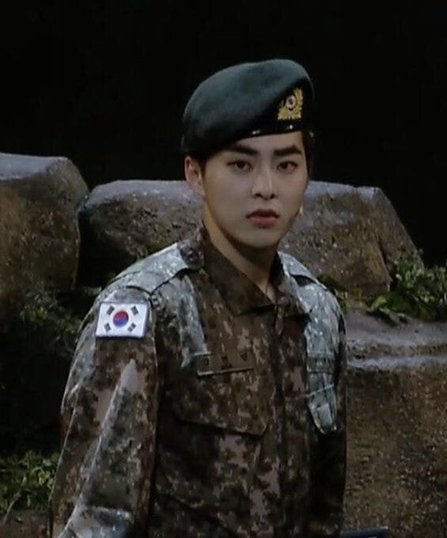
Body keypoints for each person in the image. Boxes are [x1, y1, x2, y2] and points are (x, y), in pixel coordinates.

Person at [49, 58, 347, 537]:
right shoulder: (147, 313)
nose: (266, 188)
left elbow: (325, 513)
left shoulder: (317, 312)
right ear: (195, 174)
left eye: (286, 164)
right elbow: (94, 522)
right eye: (240, 165)